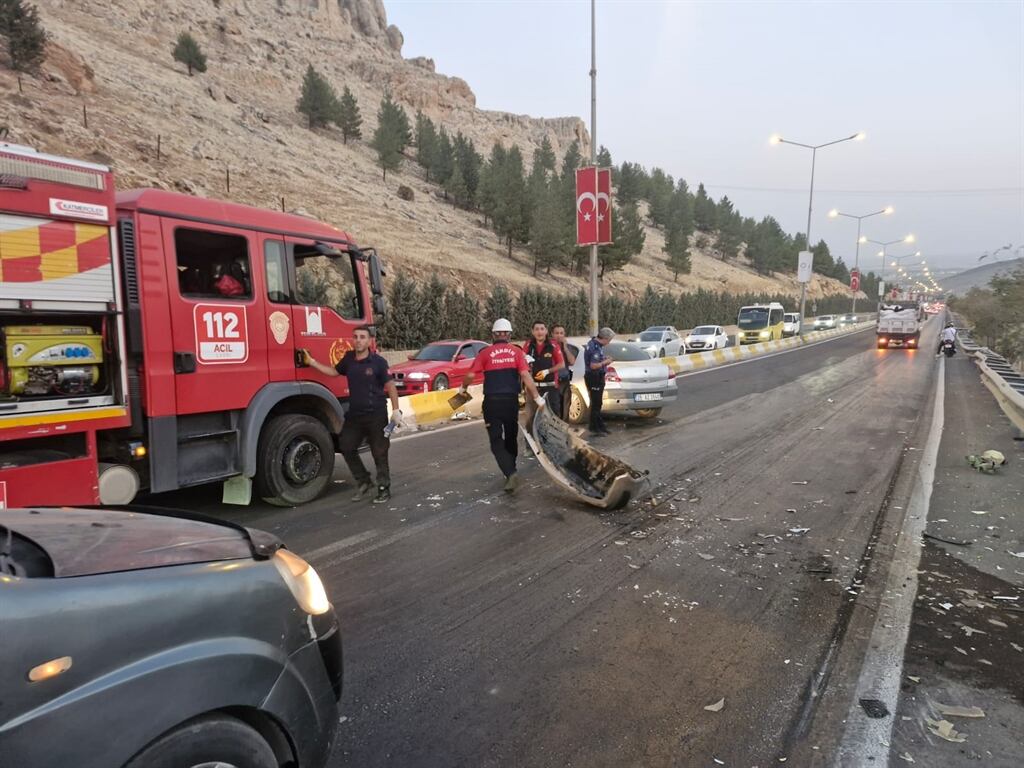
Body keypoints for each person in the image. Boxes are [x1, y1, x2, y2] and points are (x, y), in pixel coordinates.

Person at [303, 326, 401, 504]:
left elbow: (391, 386)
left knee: (379, 452)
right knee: (346, 446)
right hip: (355, 415)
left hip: (376, 415)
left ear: (369, 341)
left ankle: (383, 488)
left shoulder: (378, 362)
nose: (358, 340)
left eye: (362, 337)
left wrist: (396, 410)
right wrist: (312, 362)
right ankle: (364, 481)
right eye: (355, 337)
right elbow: (334, 372)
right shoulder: (349, 358)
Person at [459, 318, 546, 494]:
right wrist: (537, 398)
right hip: (510, 402)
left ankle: (510, 472)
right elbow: (525, 376)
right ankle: (511, 468)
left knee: (496, 440)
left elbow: (469, 374)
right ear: (509, 334)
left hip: (492, 402)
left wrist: (463, 388)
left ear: (493, 334)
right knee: (511, 435)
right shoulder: (516, 352)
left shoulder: (484, 353)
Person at [522, 321, 564, 433]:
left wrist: (547, 371)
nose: (539, 332)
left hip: (550, 388)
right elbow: (521, 360)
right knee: (530, 419)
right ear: (532, 332)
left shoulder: (553, 345)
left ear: (546, 331)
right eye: (536, 329)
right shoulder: (528, 345)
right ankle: (531, 447)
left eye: (542, 329)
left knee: (553, 418)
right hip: (533, 388)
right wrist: (526, 362)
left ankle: (554, 446)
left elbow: (561, 364)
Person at [583, 327, 615, 435]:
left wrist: (604, 358)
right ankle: (594, 427)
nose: (609, 343)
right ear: (605, 338)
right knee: (596, 403)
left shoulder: (595, 345)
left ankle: (599, 425)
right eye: (609, 340)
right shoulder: (595, 347)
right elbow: (593, 365)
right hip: (594, 377)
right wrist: (606, 362)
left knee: (598, 402)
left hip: (597, 376)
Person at [551, 324, 576, 421]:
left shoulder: (567, 347)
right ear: (552, 334)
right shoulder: (549, 347)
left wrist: (565, 348)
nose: (559, 335)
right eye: (556, 333)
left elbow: (572, 361)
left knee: (565, 409)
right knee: (556, 410)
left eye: (561, 333)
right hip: (554, 382)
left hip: (565, 381)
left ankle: (564, 430)